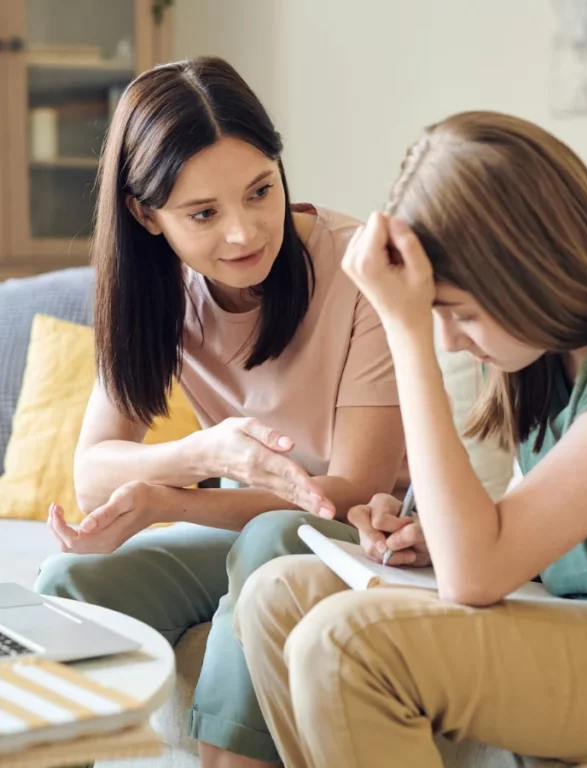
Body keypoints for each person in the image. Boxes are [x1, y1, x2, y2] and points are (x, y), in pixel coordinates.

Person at [233, 111, 587, 768]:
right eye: (437, 317)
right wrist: (427, 532)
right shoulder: (552, 346)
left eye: (460, 314)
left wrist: (406, 336)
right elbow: (518, 533)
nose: (452, 340)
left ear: (531, 273)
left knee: (340, 644)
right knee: (274, 596)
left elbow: (476, 573)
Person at [35, 57, 406, 768]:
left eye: (260, 191)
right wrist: (203, 458)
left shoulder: (357, 270)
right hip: (254, 524)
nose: (244, 234)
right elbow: (92, 475)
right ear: (147, 216)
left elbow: (347, 490)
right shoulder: (158, 293)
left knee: (269, 543)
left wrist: (165, 500)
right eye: (203, 214)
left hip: (360, 537)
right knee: (66, 586)